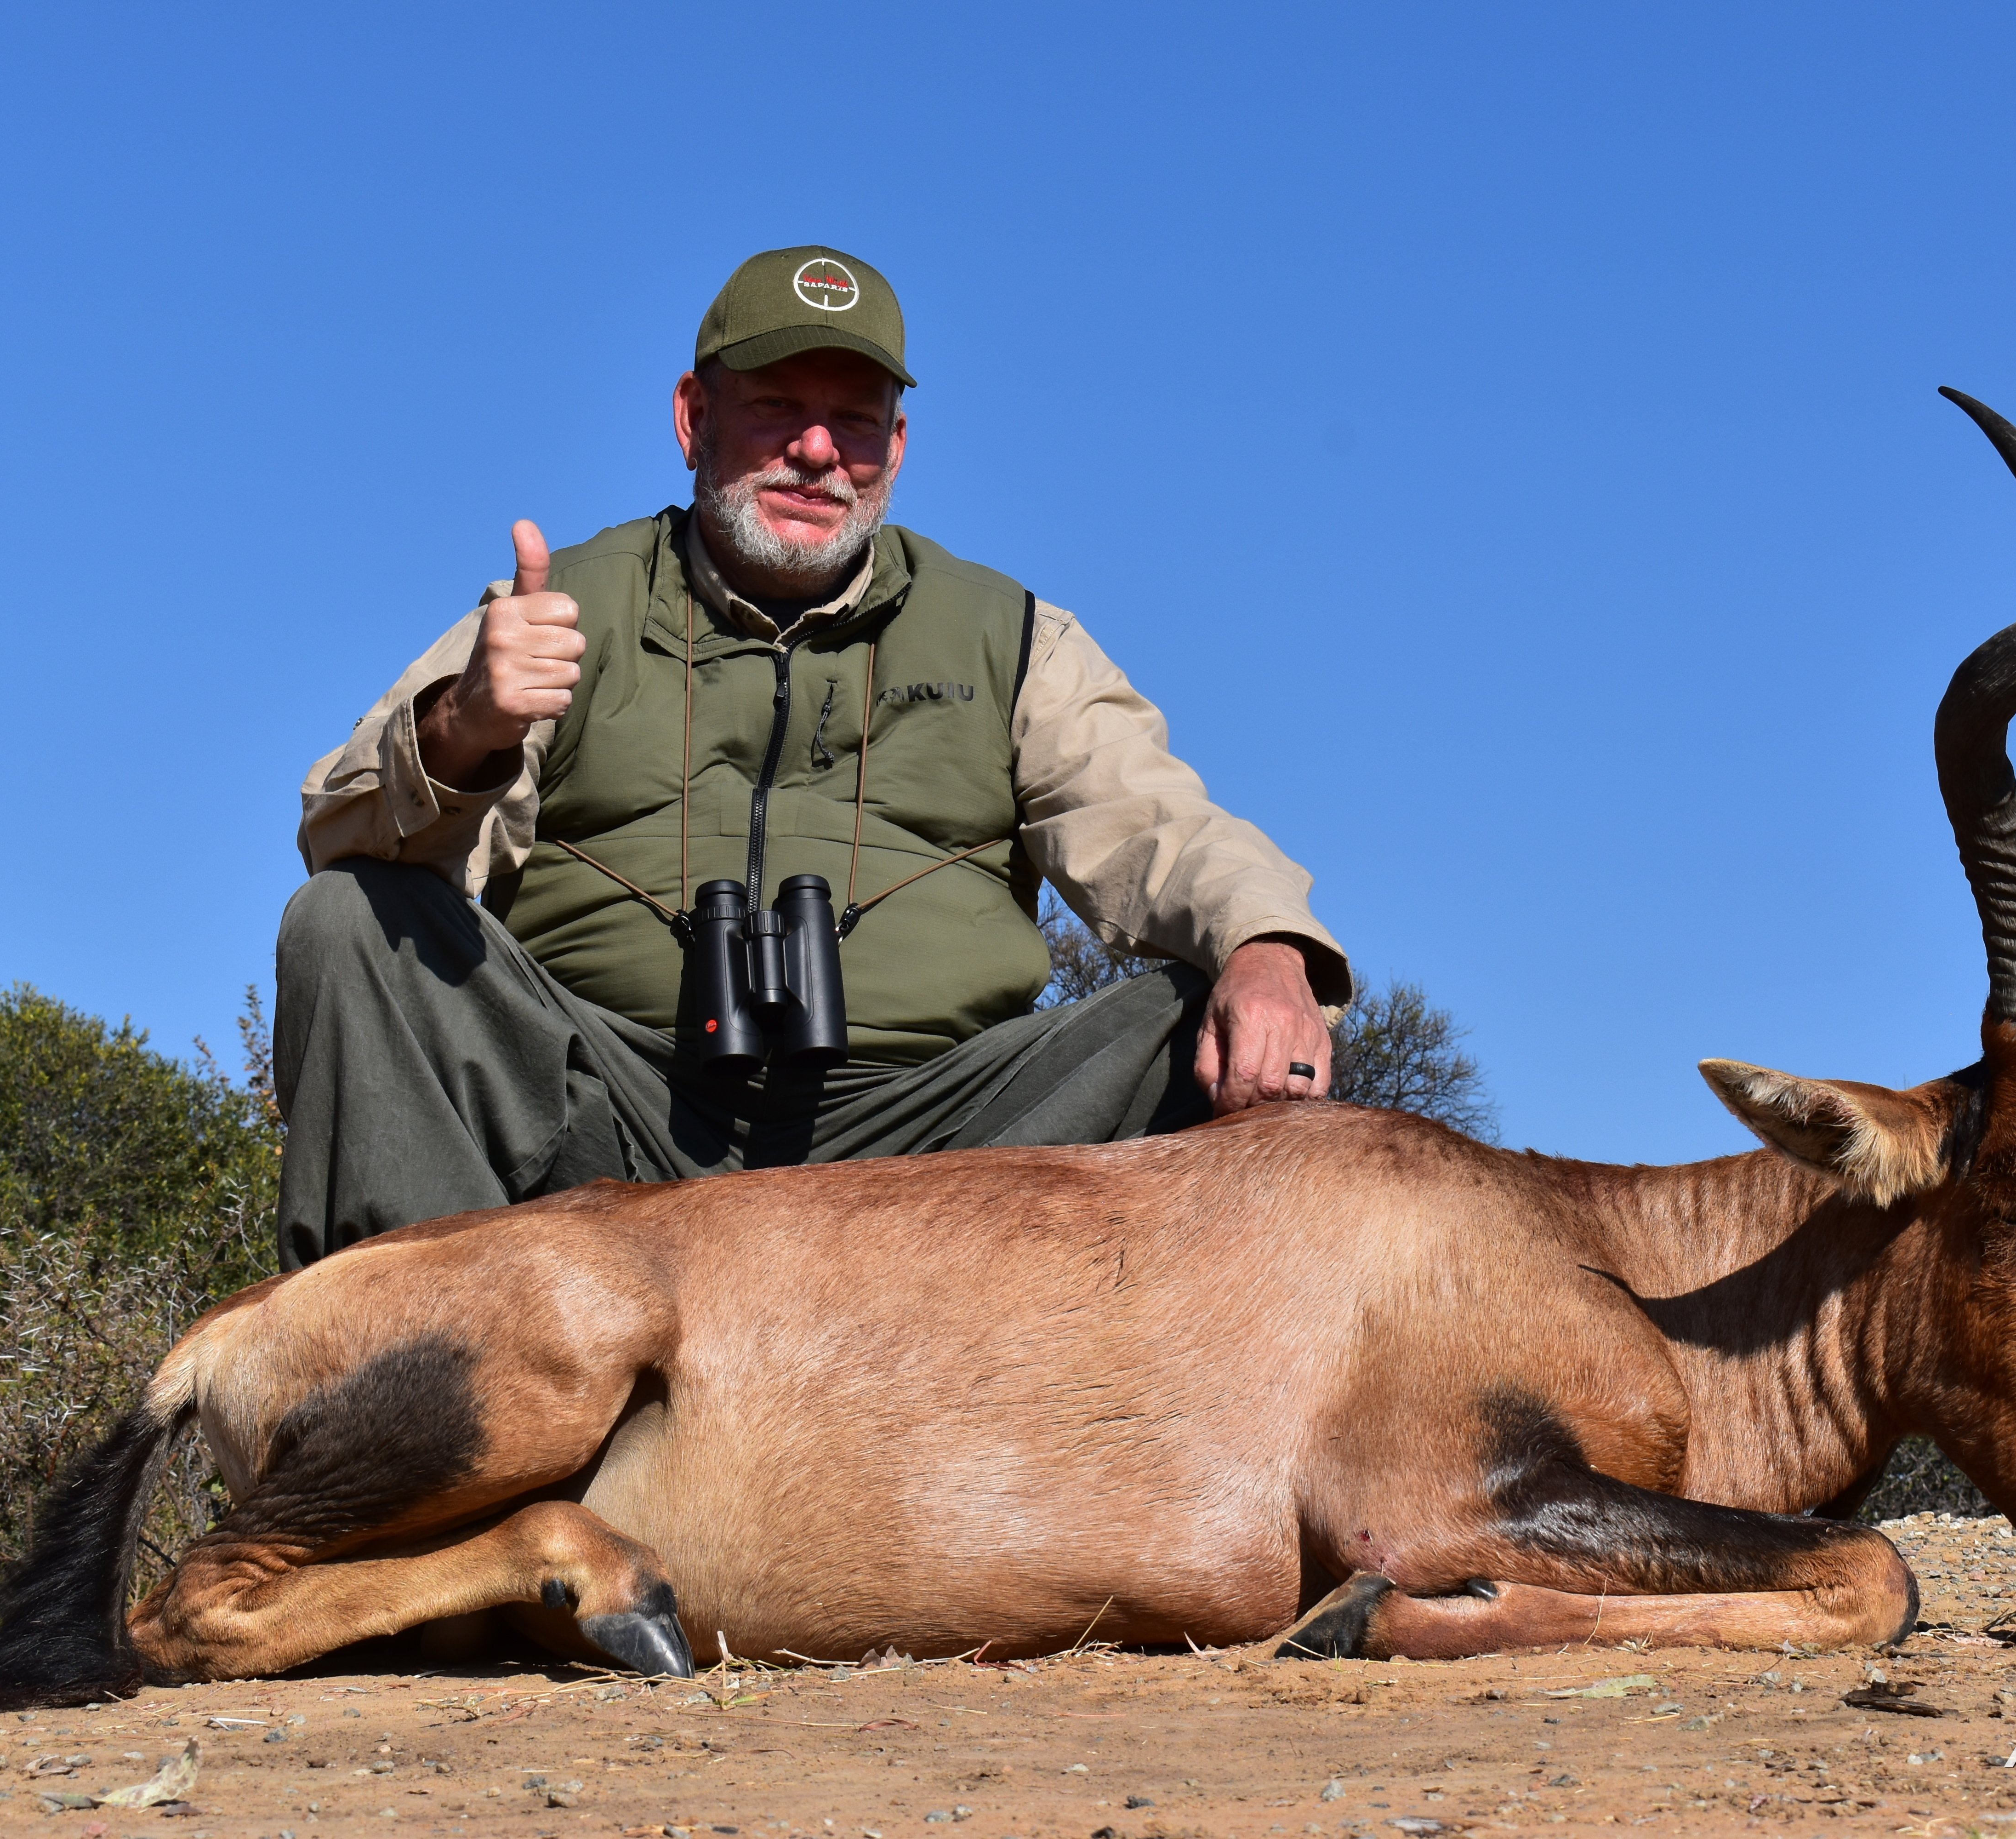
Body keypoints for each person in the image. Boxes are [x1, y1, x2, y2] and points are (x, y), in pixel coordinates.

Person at [275, 246, 1348, 1269]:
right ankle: (415, 1380)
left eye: (855, 421)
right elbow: (342, 828)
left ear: (899, 447)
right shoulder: (560, 606)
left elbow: (1164, 827)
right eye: (778, 408)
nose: (819, 452)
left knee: (1192, 1007)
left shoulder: (1015, 635)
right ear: (694, 419)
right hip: (623, 1111)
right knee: (347, 922)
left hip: (943, 1142)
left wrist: (1265, 947)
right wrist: (464, 724)